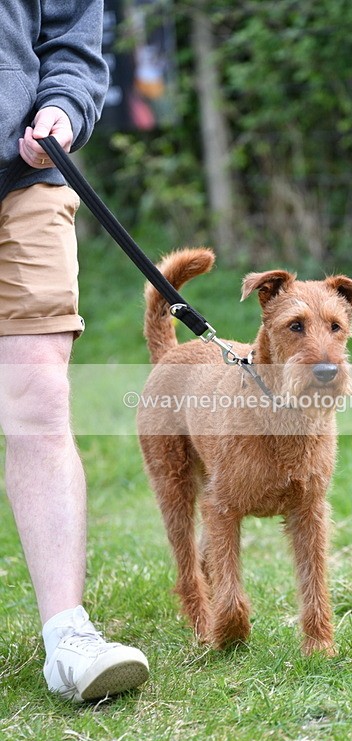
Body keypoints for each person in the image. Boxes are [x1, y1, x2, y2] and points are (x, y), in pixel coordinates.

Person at [0, 0, 149, 702]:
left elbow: (73, 43)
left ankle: (68, 638)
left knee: (39, 395)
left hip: (24, 177)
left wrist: (61, 108)